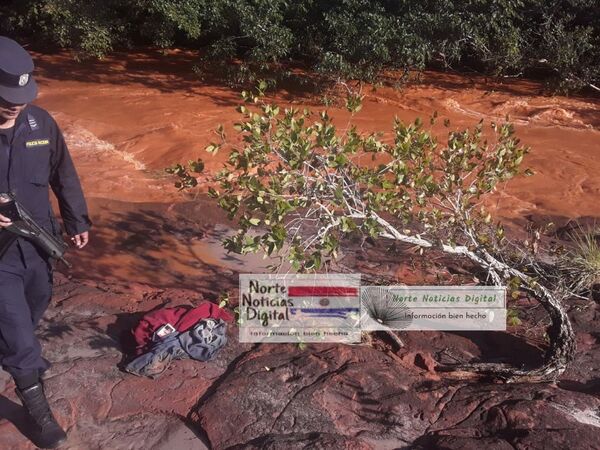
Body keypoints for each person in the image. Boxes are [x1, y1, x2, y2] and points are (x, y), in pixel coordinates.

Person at [0, 36, 91, 448]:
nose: (14, 105)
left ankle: (20, 355)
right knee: (19, 334)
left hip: (39, 246)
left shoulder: (41, 124)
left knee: (32, 310)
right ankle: (38, 411)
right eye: (6, 97)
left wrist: (75, 220)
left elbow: (63, 174)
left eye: (20, 96)